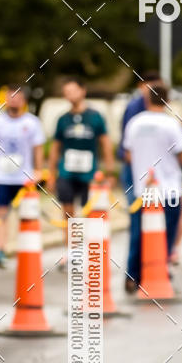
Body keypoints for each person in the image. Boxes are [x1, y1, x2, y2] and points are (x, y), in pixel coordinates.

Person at [123, 83, 182, 287]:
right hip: (168, 189)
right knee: (166, 235)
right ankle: (159, 272)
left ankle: (132, 275)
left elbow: (127, 154)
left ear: (147, 99)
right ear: (167, 101)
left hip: (141, 189)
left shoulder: (134, 123)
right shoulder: (171, 124)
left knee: (138, 233)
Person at [48, 77, 115, 268]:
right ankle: (71, 251)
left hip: (89, 173)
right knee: (67, 212)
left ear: (82, 91)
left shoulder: (95, 117)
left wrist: (109, 171)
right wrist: (51, 173)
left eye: (73, 90)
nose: (69, 95)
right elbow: (55, 147)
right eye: (66, 92)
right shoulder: (62, 119)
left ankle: (87, 250)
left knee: (89, 212)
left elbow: (105, 143)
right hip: (67, 172)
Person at [119, 71, 162, 290]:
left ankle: (150, 271)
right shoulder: (136, 108)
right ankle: (133, 274)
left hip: (151, 176)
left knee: (153, 226)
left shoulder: (150, 107)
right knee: (138, 223)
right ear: (141, 86)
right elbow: (128, 149)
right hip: (137, 174)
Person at [0, 86, 45, 268]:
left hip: (25, 177)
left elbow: (38, 148)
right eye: (10, 96)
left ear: (23, 100)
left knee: (28, 214)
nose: (14, 100)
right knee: (1, 213)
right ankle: (0, 249)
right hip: (2, 176)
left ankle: (28, 249)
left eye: (18, 96)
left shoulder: (31, 122)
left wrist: (39, 171)